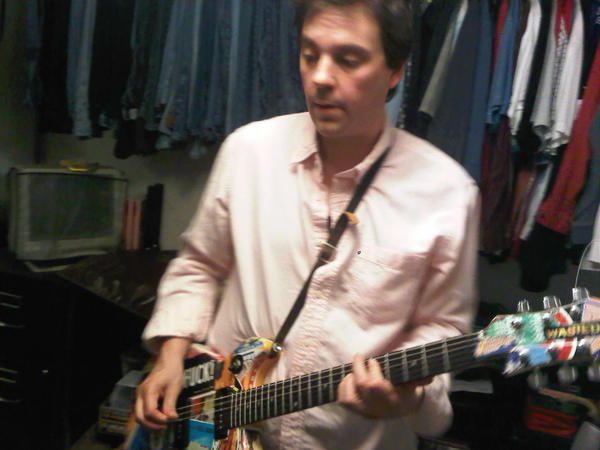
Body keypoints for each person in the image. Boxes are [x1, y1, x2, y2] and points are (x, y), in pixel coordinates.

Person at [136, 0, 480, 449]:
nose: (320, 77)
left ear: (395, 71)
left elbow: (442, 326)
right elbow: (200, 264)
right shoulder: (249, 152)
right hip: (217, 428)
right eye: (309, 54)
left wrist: (406, 397)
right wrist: (171, 353)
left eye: (348, 59)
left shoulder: (447, 193)